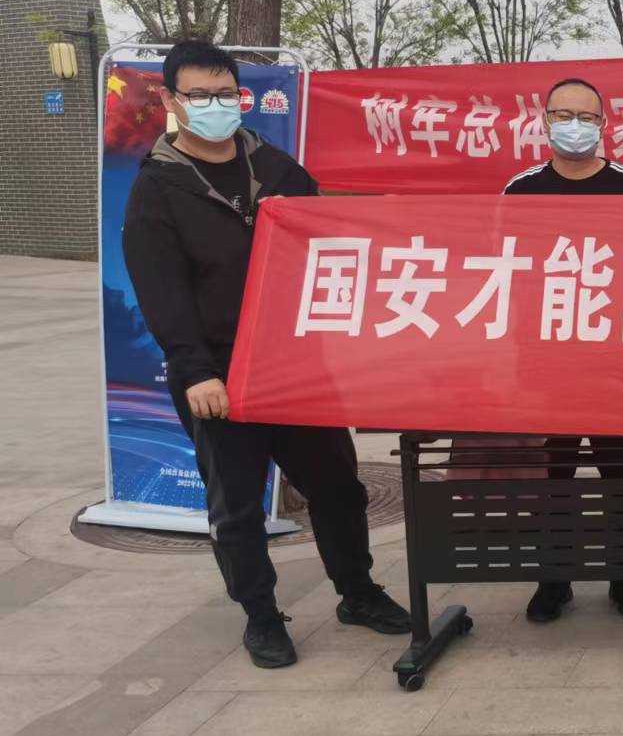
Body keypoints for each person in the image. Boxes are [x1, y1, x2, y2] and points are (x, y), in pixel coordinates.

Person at [122, 40, 410, 669]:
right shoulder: (158, 189)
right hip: (219, 375)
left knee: (337, 487)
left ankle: (357, 592)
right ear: (172, 100)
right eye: (200, 96)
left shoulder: (278, 169)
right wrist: (196, 371)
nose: (216, 106)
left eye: (226, 94)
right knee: (237, 505)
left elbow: (329, 250)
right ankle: (261, 614)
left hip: (296, 365)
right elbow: (161, 291)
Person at [499, 77, 623, 622]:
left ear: (603, 125)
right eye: (563, 115)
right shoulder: (520, 190)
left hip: (619, 362)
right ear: (544, 121)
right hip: (547, 362)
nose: (574, 126)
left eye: (586, 117)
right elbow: (505, 271)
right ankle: (554, 579)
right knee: (554, 474)